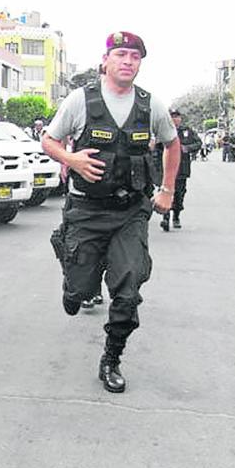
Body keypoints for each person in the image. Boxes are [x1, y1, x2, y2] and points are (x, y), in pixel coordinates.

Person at [42, 31, 180, 394]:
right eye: (121, 54)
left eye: (135, 56)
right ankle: (69, 262)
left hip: (130, 211)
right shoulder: (80, 100)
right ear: (105, 60)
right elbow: (49, 140)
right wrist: (70, 159)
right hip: (86, 211)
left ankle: (111, 358)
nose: (128, 62)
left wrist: (166, 189)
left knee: (129, 286)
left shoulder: (152, 106)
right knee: (78, 294)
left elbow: (172, 144)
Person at [157, 109, 202, 230]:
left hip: (182, 169)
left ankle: (176, 216)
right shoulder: (163, 131)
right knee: (166, 192)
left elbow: (198, 143)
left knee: (179, 195)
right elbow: (156, 149)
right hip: (166, 169)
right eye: (172, 117)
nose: (175, 119)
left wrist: (187, 148)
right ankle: (165, 218)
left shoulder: (186, 131)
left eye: (177, 116)